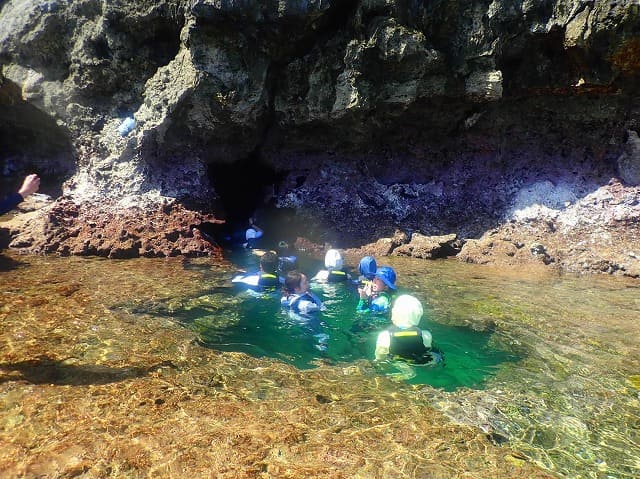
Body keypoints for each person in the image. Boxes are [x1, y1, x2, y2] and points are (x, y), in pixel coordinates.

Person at [374, 294, 434, 363]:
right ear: (418, 315)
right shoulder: (426, 335)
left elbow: (380, 357)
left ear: (395, 312)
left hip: (394, 362)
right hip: (417, 362)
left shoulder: (384, 336)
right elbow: (428, 354)